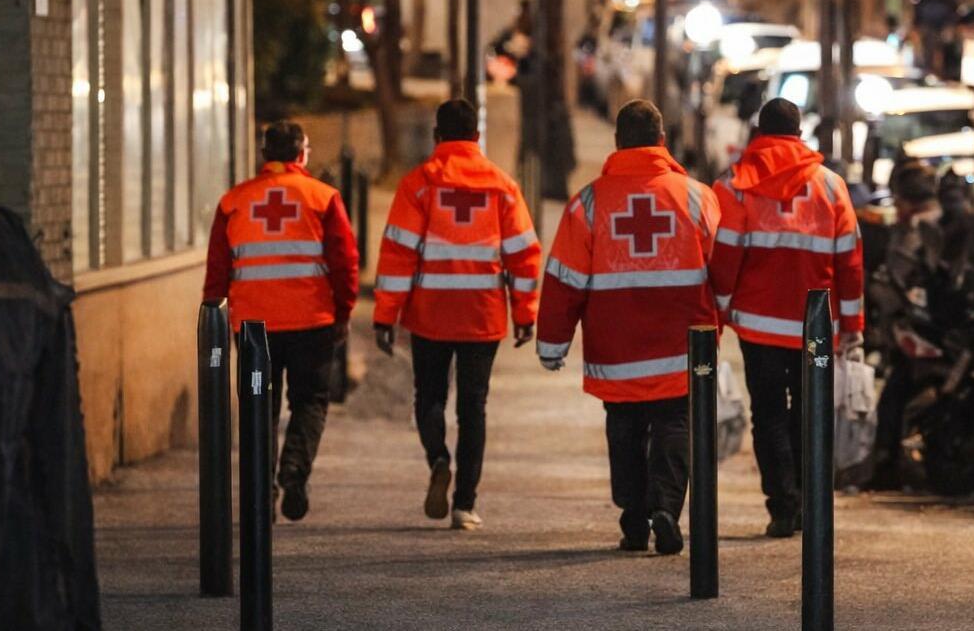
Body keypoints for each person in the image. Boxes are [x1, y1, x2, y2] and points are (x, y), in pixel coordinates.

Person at [536, 100, 720, 554]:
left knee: (625, 430)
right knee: (676, 423)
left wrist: (552, 344)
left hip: (616, 352)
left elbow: (564, 281)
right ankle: (666, 507)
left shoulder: (589, 203)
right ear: (662, 141)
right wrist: (722, 321)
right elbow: (726, 267)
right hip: (682, 345)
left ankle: (634, 518)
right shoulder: (697, 197)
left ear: (618, 143)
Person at [373, 99, 543, 530]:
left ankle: (438, 459)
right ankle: (465, 505)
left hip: (430, 311)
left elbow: (397, 255)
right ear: (477, 138)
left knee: (429, 397)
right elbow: (523, 254)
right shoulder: (502, 186)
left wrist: (385, 316)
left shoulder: (419, 185)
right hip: (481, 313)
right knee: (474, 409)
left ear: (437, 137)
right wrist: (525, 312)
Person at [707, 98, 864, 538]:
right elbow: (850, 262)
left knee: (769, 415)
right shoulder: (831, 186)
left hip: (759, 325)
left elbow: (725, 258)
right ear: (799, 134)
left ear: (760, 132)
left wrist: (716, 317)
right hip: (815, 327)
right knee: (808, 415)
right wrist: (852, 327)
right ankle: (809, 502)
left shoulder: (736, 186)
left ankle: (782, 506)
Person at [202, 121, 360, 522]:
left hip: (254, 329)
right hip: (311, 323)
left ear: (264, 155)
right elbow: (345, 263)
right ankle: (294, 471)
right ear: (302, 154)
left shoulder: (234, 202)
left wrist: (213, 321)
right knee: (309, 401)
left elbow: (218, 271)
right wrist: (343, 314)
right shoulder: (322, 197)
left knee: (261, 406)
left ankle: (261, 491)